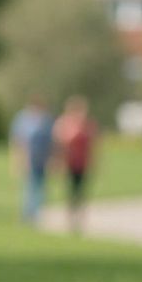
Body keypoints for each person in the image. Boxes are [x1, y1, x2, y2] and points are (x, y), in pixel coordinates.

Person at [53, 96, 99, 232]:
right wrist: (58, 162)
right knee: (71, 191)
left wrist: (95, 162)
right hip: (69, 163)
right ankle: (71, 217)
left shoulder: (88, 125)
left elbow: (93, 145)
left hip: (83, 163)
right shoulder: (64, 124)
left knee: (81, 191)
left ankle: (79, 217)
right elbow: (59, 144)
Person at [9, 97, 55, 225]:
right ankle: (27, 215)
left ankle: (36, 214)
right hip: (29, 158)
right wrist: (18, 159)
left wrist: (53, 159)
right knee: (30, 187)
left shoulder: (46, 120)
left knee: (41, 188)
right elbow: (18, 140)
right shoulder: (23, 119)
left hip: (42, 159)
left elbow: (51, 142)